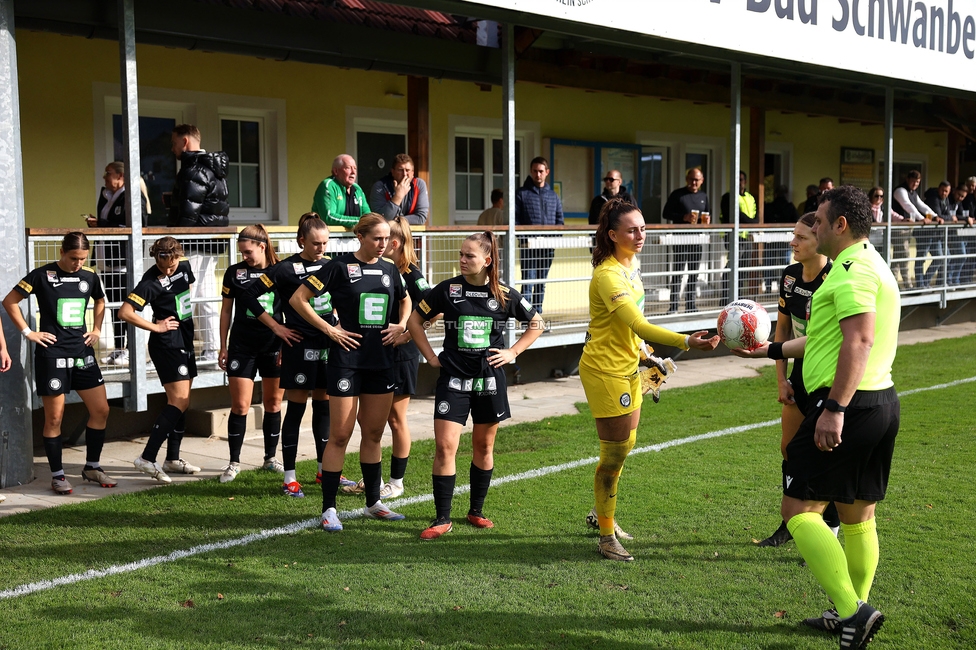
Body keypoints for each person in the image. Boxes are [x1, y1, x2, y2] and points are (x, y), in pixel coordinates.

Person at [735, 186, 900, 648]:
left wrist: (835, 408)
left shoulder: (849, 273)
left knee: (798, 511)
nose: (814, 228)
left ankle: (853, 610)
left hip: (850, 406)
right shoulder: (870, 263)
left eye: (821, 222)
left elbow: (859, 342)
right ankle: (849, 611)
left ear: (840, 225)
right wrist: (765, 350)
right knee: (857, 514)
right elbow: (823, 338)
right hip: (880, 402)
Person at [579, 199, 718, 561]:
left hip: (629, 367)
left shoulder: (631, 264)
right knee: (613, 455)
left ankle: (600, 512)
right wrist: (687, 341)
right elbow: (638, 321)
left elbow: (633, 326)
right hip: (604, 371)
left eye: (643, 228)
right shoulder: (608, 274)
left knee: (626, 445)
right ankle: (606, 536)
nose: (641, 235)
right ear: (613, 235)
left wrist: (644, 351)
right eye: (632, 230)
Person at [407, 231, 545, 540]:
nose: (463, 260)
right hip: (453, 379)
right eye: (461, 254)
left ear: (487, 260)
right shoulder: (448, 290)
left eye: (469, 255)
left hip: (489, 380)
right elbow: (415, 321)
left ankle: (475, 511)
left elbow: (537, 323)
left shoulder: (504, 293)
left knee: (484, 446)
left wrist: (513, 351)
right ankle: (442, 518)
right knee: (445, 446)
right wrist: (430, 356)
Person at [290, 214, 411, 531]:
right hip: (345, 361)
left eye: (387, 239)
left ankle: (373, 503)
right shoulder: (338, 267)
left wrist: (401, 324)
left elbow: (406, 299)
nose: (383, 244)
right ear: (360, 236)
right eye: (377, 238)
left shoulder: (389, 270)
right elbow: (298, 299)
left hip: (381, 361)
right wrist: (330, 330)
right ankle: (329, 509)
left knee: (373, 434)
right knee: (341, 434)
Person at [240, 213, 348, 497]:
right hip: (298, 346)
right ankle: (289, 477)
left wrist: (336, 319)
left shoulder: (333, 265)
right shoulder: (285, 269)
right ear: (301, 241)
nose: (321, 248)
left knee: (323, 406)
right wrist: (277, 327)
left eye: (325, 243)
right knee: (297, 408)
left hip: (328, 344)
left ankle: (325, 470)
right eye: (316, 243)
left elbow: (342, 298)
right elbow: (249, 295)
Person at [3, 232, 115, 494]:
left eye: (83, 259)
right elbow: (10, 301)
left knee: (101, 410)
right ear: (62, 253)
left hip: (82, 353)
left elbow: (101, 301)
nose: (78, 264)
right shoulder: (42, 275)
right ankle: (57, 475)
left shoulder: (89, 276)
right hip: (52, 356)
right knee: (54, 417)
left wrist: (96, 329)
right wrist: (28, 332)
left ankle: (92, 467)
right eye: (74, 258)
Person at [757, 212, 839, 548]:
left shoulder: (833, 278)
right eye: (793, 235)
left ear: (819, 240)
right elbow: (782, 329)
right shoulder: (790, 276)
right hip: (798, 377)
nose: (793, 243)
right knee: (789, 449)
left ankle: (829, 526)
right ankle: (790, 525)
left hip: (827, 379)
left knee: (824, 456)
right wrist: (781, 379)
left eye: (801, 238)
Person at [121, 237, 202, 483]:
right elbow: (125, 312)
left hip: (184, 339)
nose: (168, 268)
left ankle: (173, 459)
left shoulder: (185, 267)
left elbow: (184, 294)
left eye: (172, 263)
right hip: (167, 344)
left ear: (179, 256)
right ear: (156, 258)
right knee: (178, 400)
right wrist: (156, 328)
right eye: (162, 264)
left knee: (183, 401)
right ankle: (147, 457)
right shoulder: (149, 282)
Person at [217, 224, 287, 483]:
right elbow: (226, 310)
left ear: (262, 246)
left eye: (248, 252)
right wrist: (222, 345)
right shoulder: (235, 273)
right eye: (241, 253)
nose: (244, 257)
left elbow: (293, 308)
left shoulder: (281, 271)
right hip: (242, 345)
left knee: (273, 403)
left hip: (273, 345)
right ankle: (234, 462)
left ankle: (270, 458)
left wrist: (286, 345)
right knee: (240, 405)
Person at [169, 124, 230, 362]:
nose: (172, 149)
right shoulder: (213, 169)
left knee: (186, 295)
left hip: (193, 243)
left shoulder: (194, 171)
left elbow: (187, 214)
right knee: (204, 295)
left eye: (174, 143)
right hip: (210, 242)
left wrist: (174, 244)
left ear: (185, 142)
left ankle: (180, 346)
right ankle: (211, 347)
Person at [380, 216, 430, 498]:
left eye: (383, 238)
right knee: (375, 418)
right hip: (381, 353)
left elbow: (435, 309)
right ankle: (375, 479)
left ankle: (396, 482)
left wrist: (408, 333)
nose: (379, 243)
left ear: (394, 243)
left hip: (402, 356)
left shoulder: (410, 272)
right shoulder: (385, 268)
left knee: (396, 419)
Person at [86, 161, 148, 367]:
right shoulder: (106, 196)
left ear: (121, 177)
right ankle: (119, 348)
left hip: (123, 263)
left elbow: (134, 225)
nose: (104, 177)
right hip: (107, 262)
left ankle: (131, 350)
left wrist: (101, 224)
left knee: (125, 308)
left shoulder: (132, 196)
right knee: (113, 308)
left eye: (108, 173)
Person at [515, 156, 563, 313]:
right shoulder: (521, 194)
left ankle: (537, 315)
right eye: (535, 171)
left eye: (541, 171)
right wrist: (523, 238)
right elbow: (514, 219)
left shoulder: (553, 196)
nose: (538, 174)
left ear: (547, 172)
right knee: (528, 281)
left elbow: (559, 221)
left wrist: (554, 241)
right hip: (528, 246)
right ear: (531, 171)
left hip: (548, 247)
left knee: (541, 282)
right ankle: (526, 319)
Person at [662, 167, 710, 313]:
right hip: (681, 239)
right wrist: (684, 217)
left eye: (697, 180)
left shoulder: (703, 196)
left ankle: (690, 306)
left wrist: (707, 221)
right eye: (691, 179)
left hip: (697, 239)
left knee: (694, 274)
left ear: (702, 181)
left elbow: (707, 214)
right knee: (678, 273)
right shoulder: (678, 195)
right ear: (686, 179)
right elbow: (666, 213)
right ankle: (674, 306)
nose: (693, 182)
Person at [892, 170, 937, 289]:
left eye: (917, 182)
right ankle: (907, 284)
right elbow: (908, 206)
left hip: (906, 228)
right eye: (913, 181)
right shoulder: (900, 190)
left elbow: (922, 205)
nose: (915, 184)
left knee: (898, 256)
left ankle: (894, 282)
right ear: (907, 179)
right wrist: (922, 219)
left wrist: (935, 216)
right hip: (898, 228)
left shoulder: (913, 193)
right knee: (905, 255)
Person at [720, 170, 759, 301]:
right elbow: (736, 216)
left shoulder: (750, 197)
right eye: (737, 179)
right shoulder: (728, 197)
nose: (739, 182)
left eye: (741, 179)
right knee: (732, 267)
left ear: (745, 181)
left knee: (743, 268)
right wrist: (752, 222)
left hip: (746, 237)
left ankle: (739, 297)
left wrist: (753, 223)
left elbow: (755, 214)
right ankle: (726, 297)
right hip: (732, 237)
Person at [867, 186, 910, 288]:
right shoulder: (866, 208)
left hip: (882, 241)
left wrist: (904, 220)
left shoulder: (884, 207)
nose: (879, 198)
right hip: (869, 242)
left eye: (881, 196)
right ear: (871, 196)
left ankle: (882, 287)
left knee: (885, 264)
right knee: (871, 265)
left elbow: (894, 215)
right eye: (876, 196)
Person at [368, 153, 430, 226]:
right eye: (400, 170)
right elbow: (381, 219)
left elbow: (421, 218)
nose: (404, 174)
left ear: (413, 173)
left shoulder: (419, 184)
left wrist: (397, 220)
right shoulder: (380, 187)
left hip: (412, 235)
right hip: (387, 235)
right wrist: (398, 196)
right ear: (393, 172)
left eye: (407, 170)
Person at [311, 154, 369, 227]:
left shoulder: (357, 189)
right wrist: (361, 222)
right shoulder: (328, 185)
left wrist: (369, 222)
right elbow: (329, 217)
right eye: (348, 168)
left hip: (355, 236)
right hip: (329, 236)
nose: (353, 172)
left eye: (355, 168)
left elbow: (368, 216)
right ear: (336, 171)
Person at [763, 184, 799, 290]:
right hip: (784, 239)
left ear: (775, 194)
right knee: (784, 265)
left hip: (770, 239)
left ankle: (768, 287)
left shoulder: (769, 206)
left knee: (769, 263)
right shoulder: (789, 206)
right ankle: (784, 288)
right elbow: (797, 220)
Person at [921, 181, 950, 286]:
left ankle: (939, 282)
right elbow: (939, 215)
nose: (944, 193)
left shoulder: (945, 200)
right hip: (928, 233)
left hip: (938, 234)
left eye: (946, 191)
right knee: (925, 258)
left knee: (945, 257)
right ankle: (924, 282)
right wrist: (949, 218)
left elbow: (948, 215)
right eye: (942, 190)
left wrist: (948, 218)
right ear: (938, 189)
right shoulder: (933, 198)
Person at [947, 184, 972, 286]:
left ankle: (954, 280)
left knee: (960, 256)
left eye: (962, 197)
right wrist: (966, 219)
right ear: (954, 191)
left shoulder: (959, 202)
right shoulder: (948, 199)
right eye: (959, 195)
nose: (960, 198)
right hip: (946, 233)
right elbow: (948, 214)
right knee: (956, 256)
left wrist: (967, 218)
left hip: (956, 233)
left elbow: (960, 215)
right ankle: (950, 280)